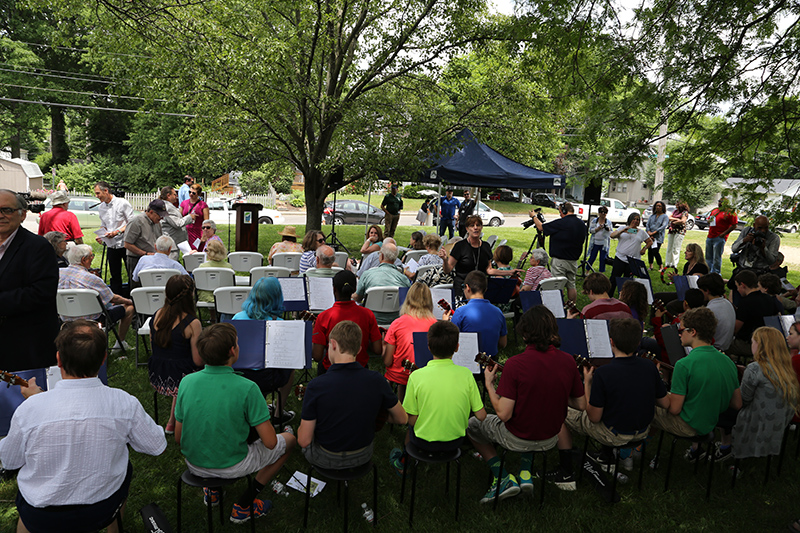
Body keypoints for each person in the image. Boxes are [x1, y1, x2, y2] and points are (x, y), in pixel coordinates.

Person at [0, 320, 166, 533]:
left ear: (58, 360)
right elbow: (157, 445)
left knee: (26, 517)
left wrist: (35, 403)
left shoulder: (29, 409)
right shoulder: (124, 403)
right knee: (127, 467)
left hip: (41, 515)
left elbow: (10, 460)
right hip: (102, 509)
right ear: (104, 359)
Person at [175, 323, 296, 524]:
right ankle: (244, 504)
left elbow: (178, 437)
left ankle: (213, 492)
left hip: (194, 464)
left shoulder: (186, 382)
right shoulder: (248, 388)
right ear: (233, 350)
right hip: (233, 464)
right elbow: (271, 443)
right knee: (289, 440)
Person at [467, 306, 585, 503]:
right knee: (531, 412)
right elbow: (581, 404)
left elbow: (503, 414)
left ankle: (502, 477)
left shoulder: (515, 364)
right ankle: (525, 473)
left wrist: (489, 385)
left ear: (525, 334)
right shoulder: (568, 361)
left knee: (473, 425)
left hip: (518, 437)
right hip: (550, 437)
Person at [555, 318, 669, 484]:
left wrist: (587, 383)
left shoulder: (605, 373)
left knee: (561, 411)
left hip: (614, 434)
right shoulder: (649, 367)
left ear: (611, 342)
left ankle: (565, 469)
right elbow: (664, 403)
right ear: (638, 342)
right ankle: (605, 456)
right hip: (642, 431)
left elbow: (593, 417)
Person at [299, 320, 407, 469]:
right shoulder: (377, 380)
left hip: (325, 457)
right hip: (363, 455)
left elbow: (304, 440)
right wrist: (375, 414)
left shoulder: (316, 386)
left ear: (333, 344)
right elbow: (402, 418)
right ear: (359, 349)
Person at [390, 320, 486, 474]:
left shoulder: (416, 376)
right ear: (457, 348)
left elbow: (411, 420)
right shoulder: (467, 375)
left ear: (428, 347)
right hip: (455, 442)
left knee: (411, 424)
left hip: (422, 442)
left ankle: (404, 464)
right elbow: (481, 416)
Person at [651, 307, 741, 461]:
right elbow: (737, 404)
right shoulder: (728, 361)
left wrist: (654, 390)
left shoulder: (684, 364)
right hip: (710, 422)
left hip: (687, 426)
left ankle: (630, 452)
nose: (679, 334)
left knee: (642, 404)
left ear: (692, 332)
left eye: (681, 331)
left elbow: (674, 409)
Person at [0, 190, 59, 372]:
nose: (1, 216)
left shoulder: (38, 247)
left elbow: (42, 293)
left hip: (24, 348)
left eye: (7, 210)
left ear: (23, 214)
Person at [232, 277, 296, 425]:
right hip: (268, 378)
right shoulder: (279, 324)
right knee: (290, 367)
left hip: (240, 375)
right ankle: (279, 413)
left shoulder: (237, 318)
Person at [730, 327, 799, 461]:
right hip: (777, 423)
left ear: (760, 346)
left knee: (724, 405)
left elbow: (743, 400)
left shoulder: (755, 368)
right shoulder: (786, 368)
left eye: (753, 342)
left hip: (754, 420)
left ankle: (726, 447)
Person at [149, 275, 202, 433]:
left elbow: (154, 348)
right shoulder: (193, 323)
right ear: (190, 295)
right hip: (181, 379)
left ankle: (171, 423)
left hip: (158, 375)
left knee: (180, 370)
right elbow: (198, 361)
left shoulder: (157, 314)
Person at [59, 244, 135, 351]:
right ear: (84, 259)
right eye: (91, 256)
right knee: (129, 307)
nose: (92, 258)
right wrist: (130, 301)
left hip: (65, 320)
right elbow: (112, 298)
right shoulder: (91, 278)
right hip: (92, 320)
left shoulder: (58, 273)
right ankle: (119, 343)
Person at [313, 270, 381, 372]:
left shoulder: (323, 317)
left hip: (331, 370)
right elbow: (377, 349)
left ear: (334, 289)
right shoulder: (368, 314)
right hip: (360, 369)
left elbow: (317, 356)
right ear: (354, 289)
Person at [440, 215, 515, 300]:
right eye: (472, 225)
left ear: (481, 227)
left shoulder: (486, 246)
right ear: (467, 229)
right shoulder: (460, 246)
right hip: (463, 287)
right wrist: (444, 260)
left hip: (481, 289)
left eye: (478, 225)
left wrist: (510, 272)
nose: (475, 228)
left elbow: (489, 270)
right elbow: (447, 270)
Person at [383, 283, 438, 399]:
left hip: (400, 375)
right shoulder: (435, 325)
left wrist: (384, 347)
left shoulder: (397, 323)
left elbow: (387, 361)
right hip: (427, 376)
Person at [532, 202, 587, 303]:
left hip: (560, 260)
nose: (560, 214)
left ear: (565, 211)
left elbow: (541, 227)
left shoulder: (562, 222)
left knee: (557, 285)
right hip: (573, 260)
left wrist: (534, 217)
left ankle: (557, 307)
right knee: (571, 285)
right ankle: (572, 307)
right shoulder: (581, 223)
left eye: (560, 212)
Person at [447, 271, 508, 360]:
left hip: (466, 363)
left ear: (467, 288)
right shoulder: (498, 312)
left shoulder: (460, 312)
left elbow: (450, 342)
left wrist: (445, 323)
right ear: (485, 289)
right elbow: (503, 344)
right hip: (490, 364)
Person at [94, 181, 135, 295]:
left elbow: (131, 223)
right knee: (114, 274)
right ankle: (117, 299)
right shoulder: (101, 207)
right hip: (111, 245)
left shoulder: (123, 203)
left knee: (131, 273)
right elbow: (104, 224)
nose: (97, 196)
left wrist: (117, 232)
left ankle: (134, 298)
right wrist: (101, 235)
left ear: (106, 191)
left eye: (98, 193)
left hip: (125, 244)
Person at [354, 242, 410, 324]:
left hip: (370, 319)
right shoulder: (403, 279)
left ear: (382, 256)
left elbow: (358, 298)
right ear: (395, 258)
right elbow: (406, 302)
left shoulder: (367, 274)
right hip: (395, 321)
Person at [729, 269, 778, 359]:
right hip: (766, 341)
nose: (737, 290)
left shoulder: (745, 302)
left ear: (742, 285)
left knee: (723, 345)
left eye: (737, 287)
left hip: (749, 343)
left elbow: (735, 329)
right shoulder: (769, 298)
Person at [608, 212, 653, 296]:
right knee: (614, 278)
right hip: (620, 258)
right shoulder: (622, 228)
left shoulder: (641, 232)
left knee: (627, 281)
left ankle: (625, 298)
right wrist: (622, 231)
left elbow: (650, 242)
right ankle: (608, 297)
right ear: (630, 219)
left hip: (632, 260)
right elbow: (612, 235)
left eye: (638, 219)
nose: (635, 221)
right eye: (634, 219)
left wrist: (644, 248)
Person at [124, 199, 166, 286]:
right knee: (138, 286)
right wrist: (145, 254)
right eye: (160, 215)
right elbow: (127, 244)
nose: (162, 218)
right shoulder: (137, 221)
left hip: (153, 259)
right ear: (151, 212)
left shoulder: (157, 223)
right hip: (136, 259)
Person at [730, 215, 781, 281]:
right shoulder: (747, 231)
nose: (763, 231)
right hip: (742, 270)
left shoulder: (773, 238)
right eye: (759, 228)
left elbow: (772, 261)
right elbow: (734, 249)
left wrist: (763, 248)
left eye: (766, 227)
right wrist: (744, 241)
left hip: (760, 273)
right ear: (754, 225)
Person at [696, 273, 736, 352]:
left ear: (707, 291)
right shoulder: (727, 303)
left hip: (714, 348)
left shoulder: (710, 310)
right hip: (726, 345)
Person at [705, 197, 739, 274]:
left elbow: (734, 225)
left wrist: (724, 233)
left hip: (719, 237)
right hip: (710, 236)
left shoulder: (730, 212)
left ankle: (716, 274)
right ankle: (708, 273)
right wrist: (708, 221)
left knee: (716, 257)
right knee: (708, 257)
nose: (720, 203)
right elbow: (709, 220)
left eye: (722, 202)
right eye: (719, 201)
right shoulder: (715, 211)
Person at [159, 186, 194, 257]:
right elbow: (177, 223)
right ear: (168, 195)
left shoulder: (167, 205)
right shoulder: (167, 207)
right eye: (174, 194)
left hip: (174, 243)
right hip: (172, 244)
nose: (176, 196)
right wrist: (190, 217)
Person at [196, 240, 234, 305]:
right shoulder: (229, 267)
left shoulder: (202, 267)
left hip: (205, 295)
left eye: (206, 250)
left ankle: (212, 314)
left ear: (209, 252)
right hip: (223, 295)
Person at [181, 183, 210, 250]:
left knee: (197, 252)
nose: (191, 194)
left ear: (198, 194)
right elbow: (180, 217)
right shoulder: (184, 203)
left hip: (198, 232)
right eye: (189, 192)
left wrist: (204, 235)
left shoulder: (203, 205)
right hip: (186, 232)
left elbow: (206, 221)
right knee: (187, 252)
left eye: (193, 193)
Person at [664, 200, 690, 269]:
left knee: (676, 248)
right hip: (672, 230)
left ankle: (674, 264)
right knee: (669, 247)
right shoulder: (675, 211)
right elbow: (669, 217)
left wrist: (675, 221)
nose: (676, 205)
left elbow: (683, 221)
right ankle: (668, 263)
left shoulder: (685, 212)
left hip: (679, 232)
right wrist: (676, 220)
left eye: (678, 204)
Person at [588, 206, 613, 273]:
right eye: (601, 212)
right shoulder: (594, 221)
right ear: (599, 213)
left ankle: (601, 273)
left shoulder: (608, 222)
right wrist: (598, 228)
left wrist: (608, 229)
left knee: (603, 259)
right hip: (595, 242)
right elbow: (590, 230)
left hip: (604, 244)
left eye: (605, 212)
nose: (603, 214)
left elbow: (612, 233)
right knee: (592, 257)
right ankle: (587, 271)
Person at [646, 201, 669, 270]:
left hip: (658, 237)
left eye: (659, 206)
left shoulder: (665, 216)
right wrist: (648, 232)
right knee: (650, 251)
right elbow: (647, 224)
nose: (658, 207)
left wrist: (654, 232)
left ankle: (661, 266)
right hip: (650, 236)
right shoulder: (652, 216)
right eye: (657, 206)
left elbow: (663, 226)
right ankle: (651, 266)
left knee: (655, 251)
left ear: (663, 208)